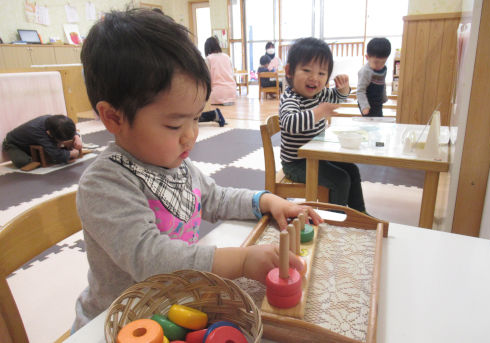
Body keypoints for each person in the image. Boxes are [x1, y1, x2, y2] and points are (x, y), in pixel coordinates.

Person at [72, 9, 323, 331]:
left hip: (176, 306)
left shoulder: (174, 163)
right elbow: (153, 260)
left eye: (196, 118)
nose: (191, 134)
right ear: (114, 118)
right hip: (120, 321)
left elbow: (215, 198)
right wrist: (243, 261)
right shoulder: (105, 184)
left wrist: (267, 201)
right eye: (175, 123)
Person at [279, 37, 366, 212]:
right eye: (306, 70)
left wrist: (343, 89)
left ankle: (358, 212)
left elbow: (337, 98)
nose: (314, 78)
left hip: (317, 157)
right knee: (340, 180)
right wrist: (318, 112)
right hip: (296, 164)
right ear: (289, 71)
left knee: (352, 170)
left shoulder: (320, 94)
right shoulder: (291, 98)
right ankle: (334, 219)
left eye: (321, 73)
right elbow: (289, 123)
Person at [2, 114, 82, 171]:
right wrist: (72, 153)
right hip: (13, 144)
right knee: (23, 162)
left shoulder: (54, 121)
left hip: (32, 140)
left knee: (50, 150)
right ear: (48, 133)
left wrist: (76, 136)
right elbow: (57, 155)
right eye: (60, 140)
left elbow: (69, 129)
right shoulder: (38, 132)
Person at [357, 37, 391, 117]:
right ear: (367, 57)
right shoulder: (365, 71)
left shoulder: (383, 69)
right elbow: (360, 91)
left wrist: (384, 97)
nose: (379, 66)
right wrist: (364, 106)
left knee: (379, 118)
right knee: (369, 123)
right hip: (366, 101)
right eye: (376, 62)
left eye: (383, 62)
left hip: (378, 101)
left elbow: (382, 83)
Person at [204, 36, 237, 106]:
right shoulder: (227, 57)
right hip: (232, 93)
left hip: (217, 94)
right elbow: (232, 74)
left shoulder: (208, 59)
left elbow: (206, 79)